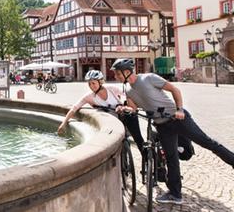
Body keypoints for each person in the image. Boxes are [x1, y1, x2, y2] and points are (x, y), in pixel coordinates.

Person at [111, 58, 234, 205]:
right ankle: (176, 194)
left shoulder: (149, 78)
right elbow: (134, 108)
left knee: (207, 142)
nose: (115, 77)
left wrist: (180, 109)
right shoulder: (128, 89)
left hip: (178, 119)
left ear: (126, 72)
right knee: (171, 158)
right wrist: (124, 108)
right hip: (162, 126)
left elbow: (175, 89)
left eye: (117, 74)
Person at [57, 70, 145, 155]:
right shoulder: (89, 97)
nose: (91, 86)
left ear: (100, 82)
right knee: (118, 143)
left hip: (125, 115)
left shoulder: (111, 89)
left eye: (93, 83)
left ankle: (147, 159)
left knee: (138, 139)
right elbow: (74, 108)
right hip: (113, 122)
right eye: (89, 84)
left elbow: (128, 94)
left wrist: (126, 105)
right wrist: (63, 123)